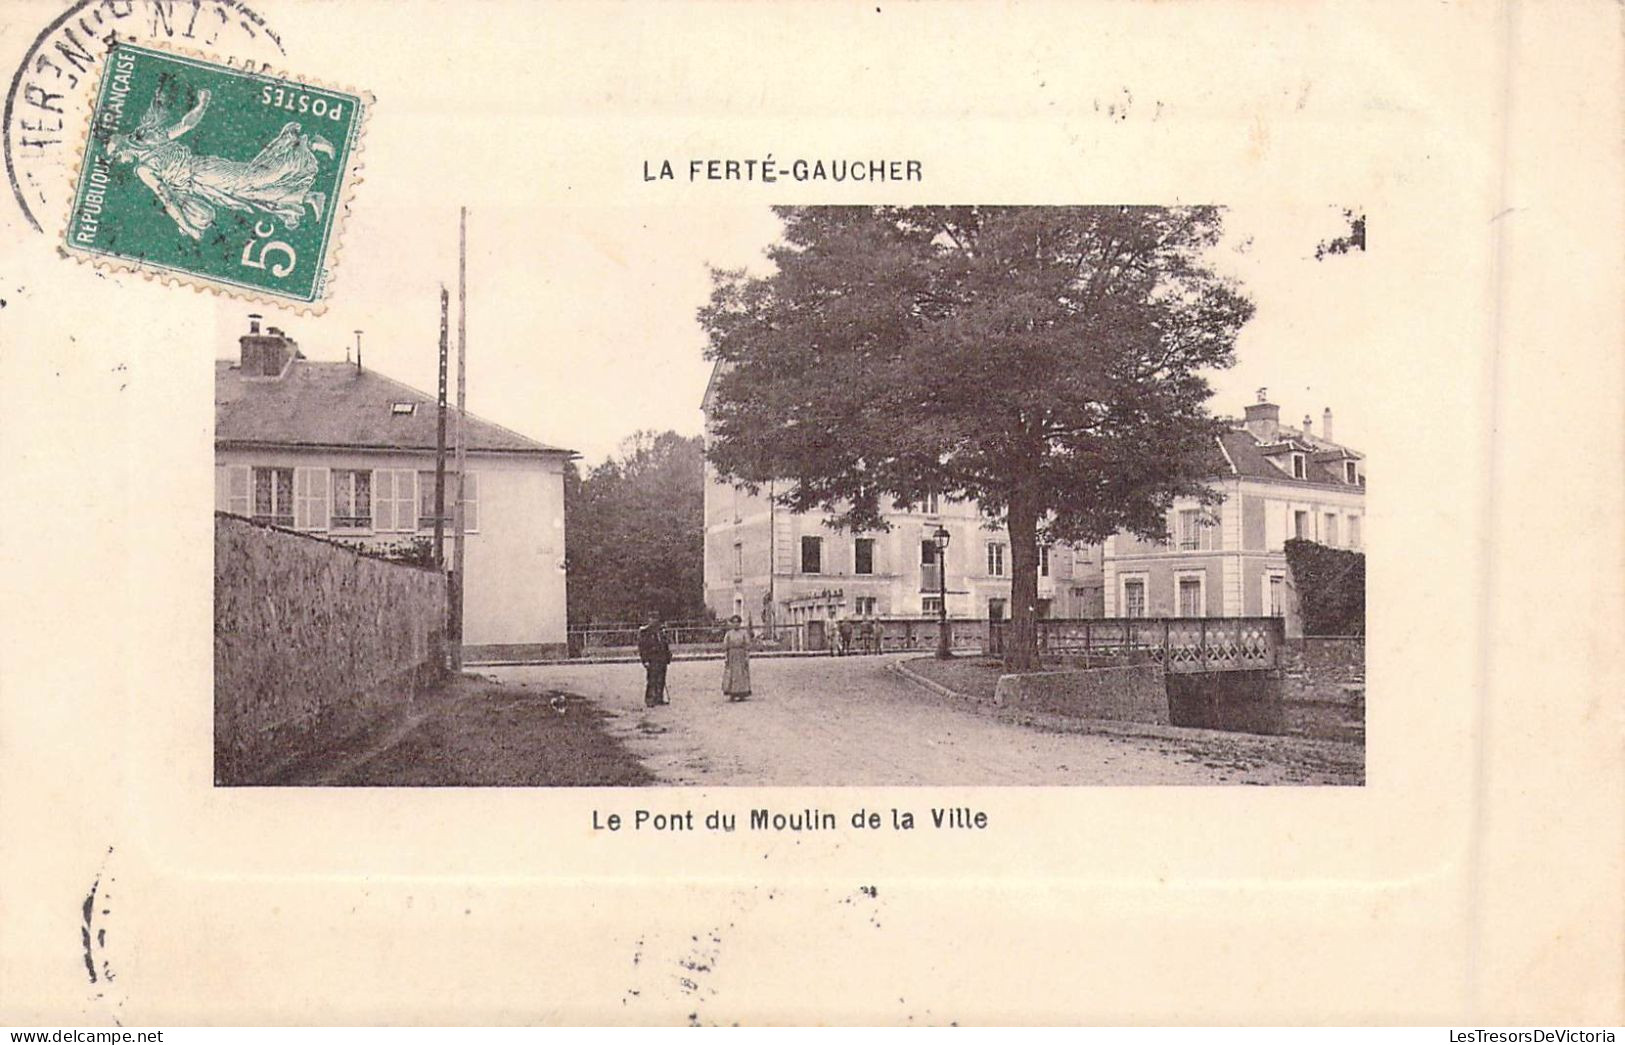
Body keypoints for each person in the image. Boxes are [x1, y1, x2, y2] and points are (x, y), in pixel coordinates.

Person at [109, 84, 334, 241]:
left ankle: (306, 144)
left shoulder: (143, 168)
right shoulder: (150, 147)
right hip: (201, 184)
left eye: (118, 156)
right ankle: (308, 197)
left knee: (254, 179)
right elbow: (185, 126)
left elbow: (166, 199)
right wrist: (202, 104)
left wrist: (189, 228)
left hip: (203, 172)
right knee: (249, 195)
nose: (121, 161)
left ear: (123, 148)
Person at [637, 614, 671, 707]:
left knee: (661, 679)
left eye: (656, 619)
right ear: (649, 620)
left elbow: (665, 645)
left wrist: (668, 657)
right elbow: (642, 648)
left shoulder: (661, 631)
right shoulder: (645, 632)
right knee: (652, 679)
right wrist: (645, 660)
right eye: (653, 619)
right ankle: (649, 699)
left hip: (662, 658)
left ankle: (659, 698)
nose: (655, 621)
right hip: (652, 659)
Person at [722, 615, 752, 702]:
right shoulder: (729, 634)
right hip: (732, 655)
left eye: (737, 622)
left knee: (741, 673)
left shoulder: (744, 633)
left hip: (741, 655)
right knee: (731, 673)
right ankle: (732, 693)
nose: (736, 624)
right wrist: (726, 657)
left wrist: (747, 656)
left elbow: (747, 645)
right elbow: (725, 646)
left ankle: (742, 693)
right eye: (734, 622)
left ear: (740, 623)